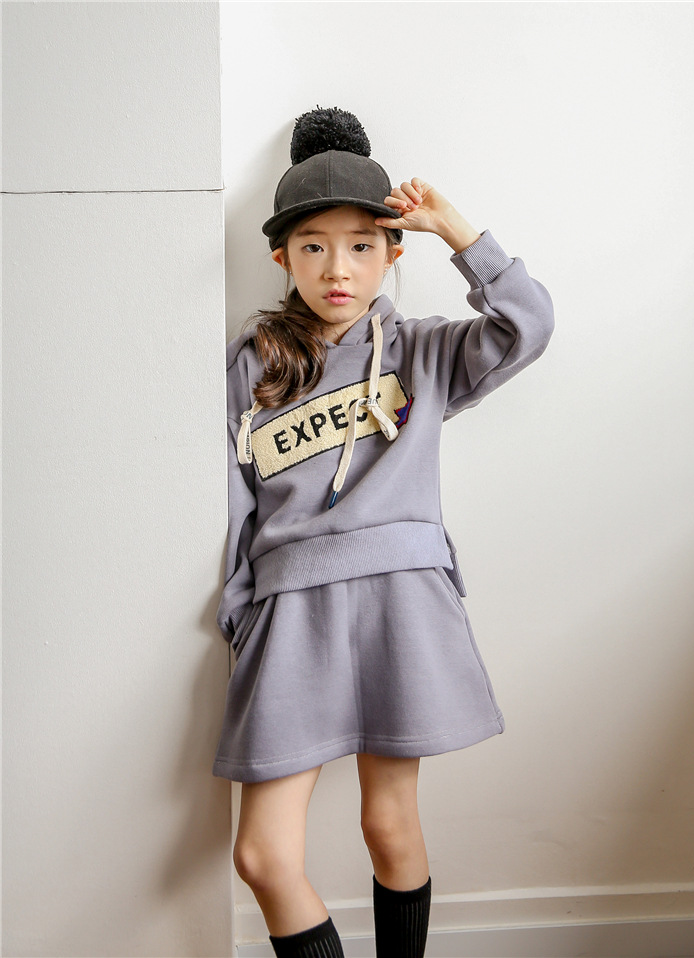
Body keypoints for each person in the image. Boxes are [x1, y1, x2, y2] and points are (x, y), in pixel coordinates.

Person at [212, 106, 555, 958]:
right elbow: (236, 499)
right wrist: (241, 611)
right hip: (292, 609)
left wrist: (455, 230)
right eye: (314, 246)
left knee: (390, 825)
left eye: (362, 245)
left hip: (401, 599)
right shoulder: (254, 362)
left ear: (393, 252)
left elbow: (529, 326)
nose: (338, 268)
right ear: (282, 256)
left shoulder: (424, 353)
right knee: (262, 856)